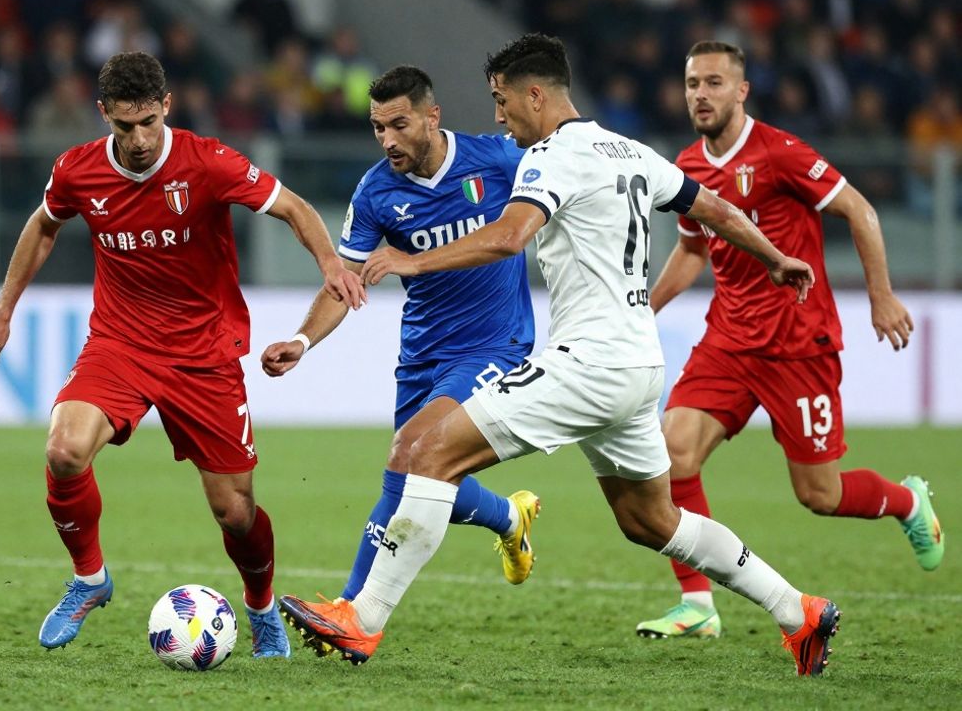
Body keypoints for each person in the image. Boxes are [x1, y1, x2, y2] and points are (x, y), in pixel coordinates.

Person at [279, 34, 840, 677]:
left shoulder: (552, 155)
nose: (497, 116)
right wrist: (775, 257)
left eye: (501, 100)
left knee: (422, 451)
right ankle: (799, 611)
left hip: (590, 362)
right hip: (638, 367)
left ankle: (362, 619)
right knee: (651, 520)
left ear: (534, 94)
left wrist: (411, 260)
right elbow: (712, 208)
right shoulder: (628, 150)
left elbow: (508, 237)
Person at [0, 51, 364, 658]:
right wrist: (2, 311)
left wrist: (330, 263)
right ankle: (89, 580)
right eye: (124, 126)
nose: (138, 138)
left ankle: (261, 610)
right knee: (64, 448)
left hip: (204, 352)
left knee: (234, 512)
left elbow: (293, 208)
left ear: (167, 107)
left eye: (149, 121)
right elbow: (44, 224)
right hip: (120, 343)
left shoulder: (207, 162)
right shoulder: (77, 170)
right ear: (103, 114)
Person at [634, 41, 944, 640]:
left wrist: (880, 296)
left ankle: (908, 504)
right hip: (728, 341)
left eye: (715, 83)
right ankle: (697, 604)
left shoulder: (779, 153)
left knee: (820, 495)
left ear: (741, 91)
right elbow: (693, 250)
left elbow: (860, 210)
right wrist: (645, 307)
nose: (701, 93)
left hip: (799, 345)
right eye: (693, 82)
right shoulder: (688, 166)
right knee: (672, 455)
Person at [260, 65, 540, 600]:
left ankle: (351, 607)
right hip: (421, 357)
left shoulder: (498, 160)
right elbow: (343, 280)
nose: (388, 139)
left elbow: (556, 198)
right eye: (377, 128)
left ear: (433, 118)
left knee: (409, 452)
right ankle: (509, 517)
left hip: (492, 345)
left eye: (400, 124)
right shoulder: (374, 193)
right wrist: (301, 340)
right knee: (423, 476)